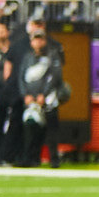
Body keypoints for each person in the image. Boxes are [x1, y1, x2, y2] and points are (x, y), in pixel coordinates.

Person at [16, 20, 67, 168]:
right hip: (31, 101)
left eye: (40, 38)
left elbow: (55, 77)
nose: (38, 42)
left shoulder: (52, 55)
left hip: (48, 101)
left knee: (51, 132)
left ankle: (54, 160)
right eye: (35, 39)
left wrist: (43, 95)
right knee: (31, 131)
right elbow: (22, 77)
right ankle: (31, 158)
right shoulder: (27, 58)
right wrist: (25, 95)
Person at [0, 21, 22, 167]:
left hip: (14, 90)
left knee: (15, 123)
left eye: (2, 30)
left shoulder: (14, 49)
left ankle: (11, 155)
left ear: (7, 32)